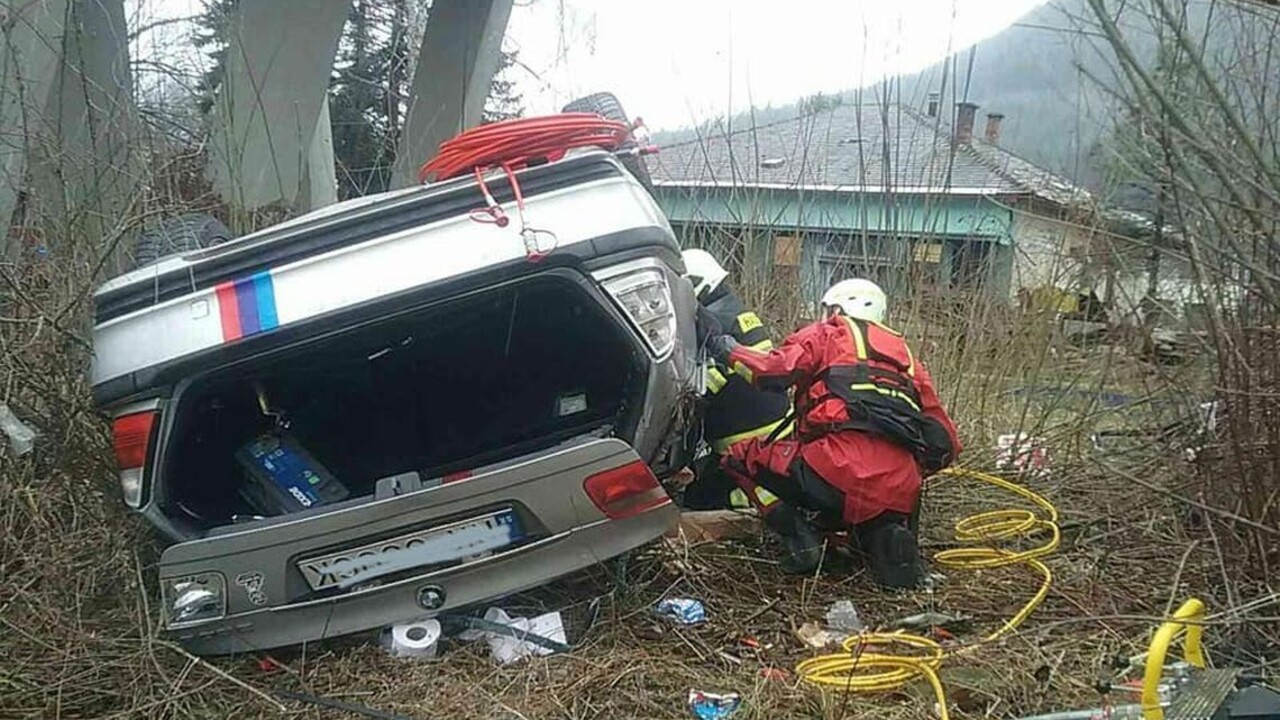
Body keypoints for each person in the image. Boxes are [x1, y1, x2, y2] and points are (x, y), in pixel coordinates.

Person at [706, 278, 961, 588]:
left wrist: (727, 349)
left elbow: (772, 372)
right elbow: (947, 443)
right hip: (899, 489)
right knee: (869, 500)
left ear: (838, 308)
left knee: (739, 458)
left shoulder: (830, 333)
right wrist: (908, 472)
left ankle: (801, 538)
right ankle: (878, 535)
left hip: (833, 468)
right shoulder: (910, 362)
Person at [681, 249, 822, 572]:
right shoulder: (738, 311)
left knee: (703, 496)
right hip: (774, 423)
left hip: (741, 434)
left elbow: (709, 380)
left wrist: (687, 403)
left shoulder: (712, 318)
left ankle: (787, 526)